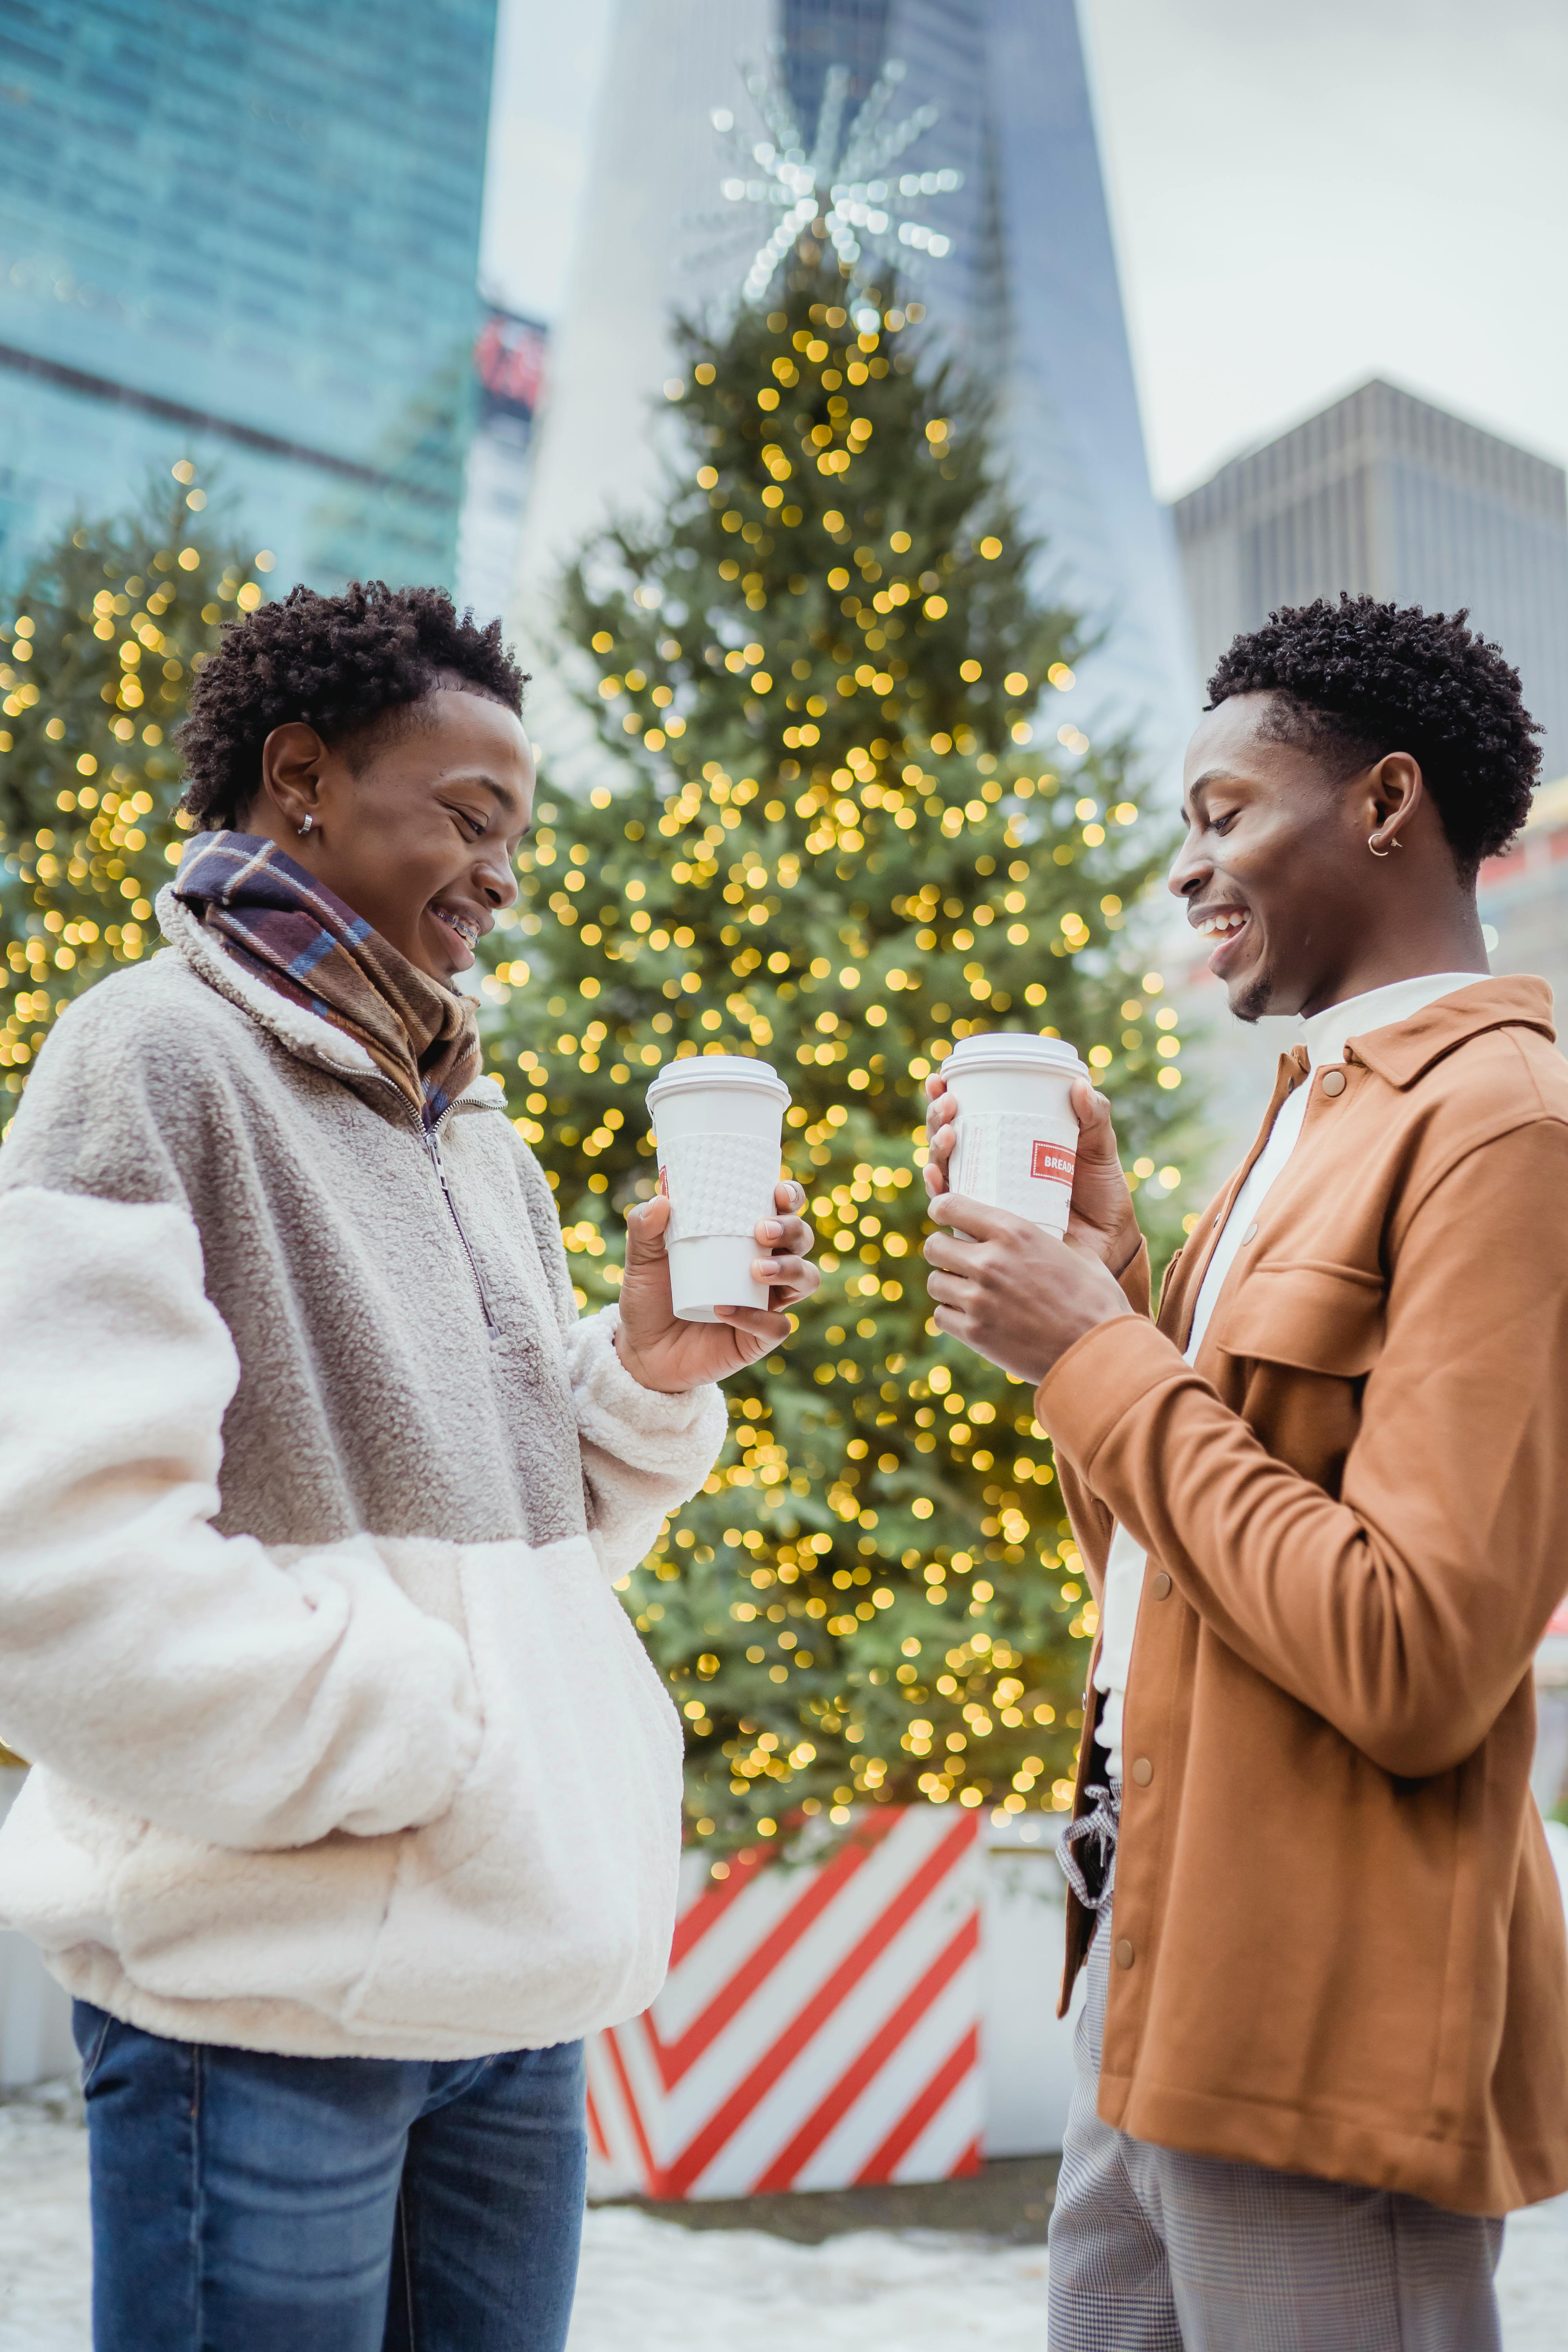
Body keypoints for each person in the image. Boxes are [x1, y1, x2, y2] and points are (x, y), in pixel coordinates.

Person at [0, 582, 818, 2352]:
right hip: (267, 2003)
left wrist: (648, 1371)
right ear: (298, 778)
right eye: (469, 817)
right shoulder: (147, 1056)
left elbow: (519, 1533)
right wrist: (405, 1736)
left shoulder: (468, 1118)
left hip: (508, 1998)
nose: (503, 876)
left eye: (514, 832)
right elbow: (50, 1562)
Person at [921, 595, 1568, 2350]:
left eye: (1223, 816)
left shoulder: (1503, 1127)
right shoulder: (1303, 1115)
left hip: (1321, 2012)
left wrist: (1093, 1348)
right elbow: (1167, 1558)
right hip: (1147, 1961)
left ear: (1384, 806)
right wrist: (1114, 1275)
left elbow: (1417, 1654)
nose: (1188, 874)